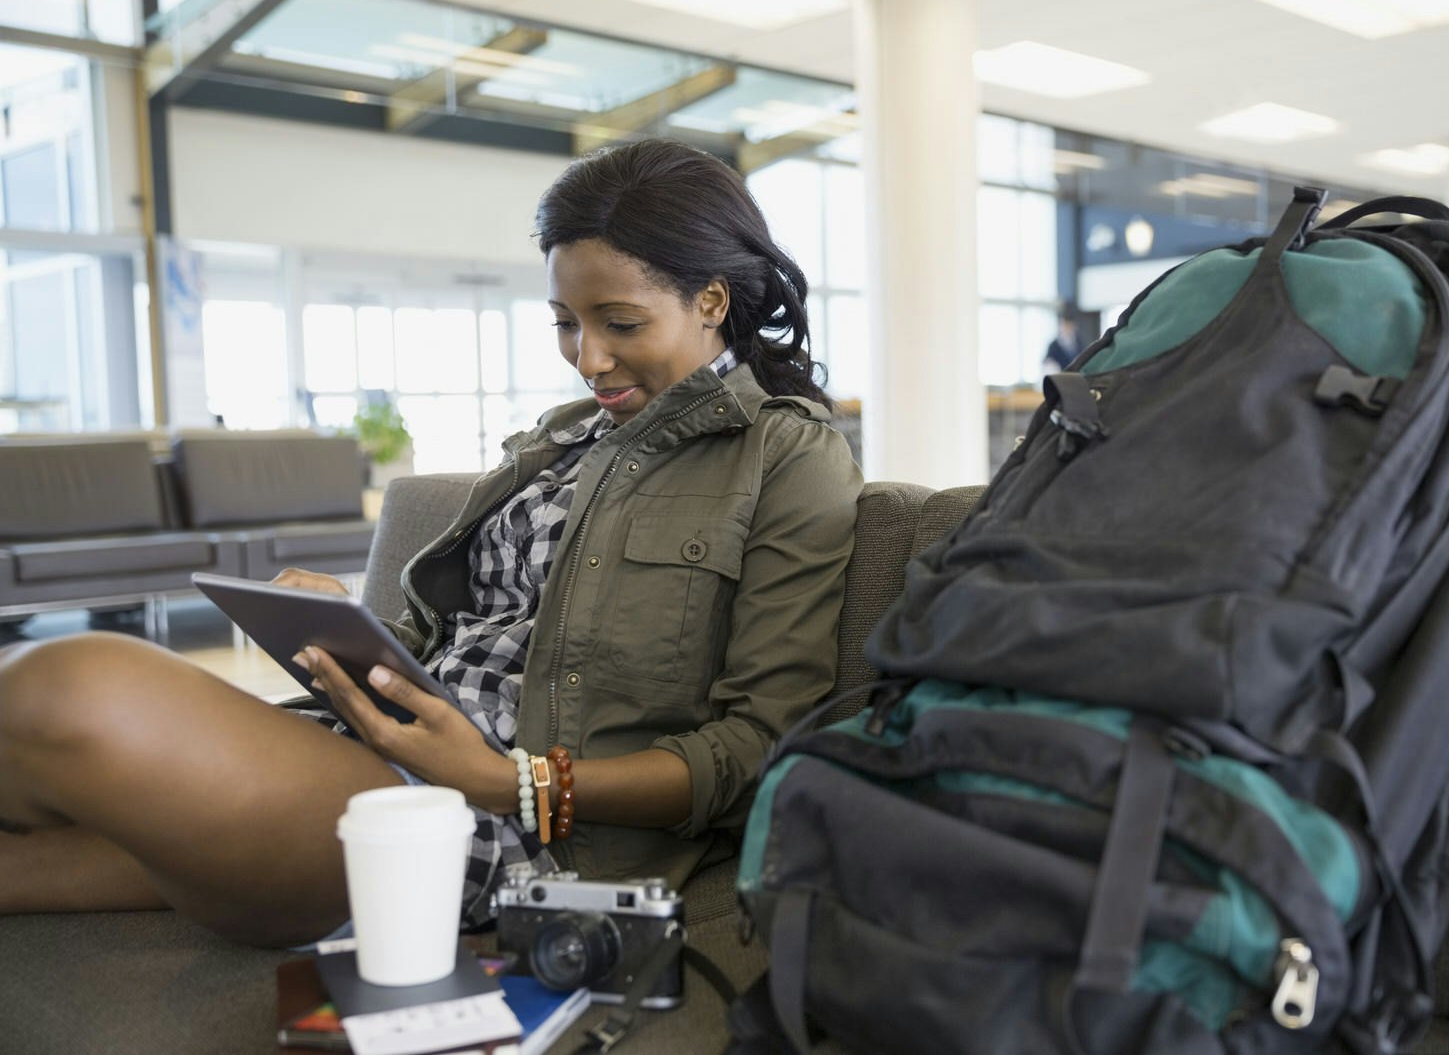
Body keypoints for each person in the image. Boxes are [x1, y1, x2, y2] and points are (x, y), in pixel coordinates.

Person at [0, 138, 862, 947]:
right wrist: (354, 644)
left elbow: (759, 749)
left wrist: (515, 782)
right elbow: (466, 641)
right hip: (376, 758)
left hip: (508, 830)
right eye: (566, 322)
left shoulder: (786, 453)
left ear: (711, 300)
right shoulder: (560, 441)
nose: (588, 358)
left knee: (70, 687)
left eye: (621, 323)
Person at [1041, 300, 1083, 376]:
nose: (1067, 328)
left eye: (1069, 325)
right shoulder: (1054, 345)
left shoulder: (1079, 343)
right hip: (1060, 379)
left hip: (1076, 378)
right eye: (1065, 325)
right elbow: (1047, 364)